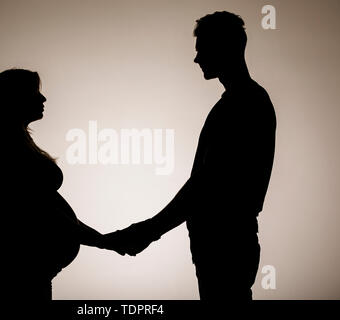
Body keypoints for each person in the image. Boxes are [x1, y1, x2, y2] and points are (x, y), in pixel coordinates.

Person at [105, 11, 277, 300]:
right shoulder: (239, 103)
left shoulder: (243, 105)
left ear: (225, 47)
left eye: (202, 49)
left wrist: (150, 229)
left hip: (225, 244)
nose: (197, 59)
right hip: (222, 244)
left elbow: (204, 186)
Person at [0, 69, 121, 302]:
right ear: (15, 99)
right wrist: (104, 242)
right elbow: (45, 213)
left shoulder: (20, 144)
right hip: (15, 273)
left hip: (28, 273)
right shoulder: (9, 150)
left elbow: (55, 209)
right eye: (35, 92)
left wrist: (103, 240)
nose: (43, 99)